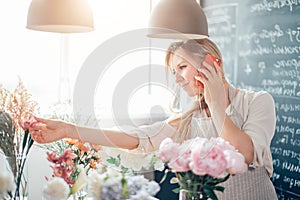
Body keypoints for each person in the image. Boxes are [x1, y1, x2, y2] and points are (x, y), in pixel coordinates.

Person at [30, 38, 277, 199]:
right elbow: (138, 139)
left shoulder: (257, 102)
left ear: (212, 63)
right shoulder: (187, 119)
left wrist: (214, 103)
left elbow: (245, 152)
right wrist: (68, 129)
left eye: (182, 67)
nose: (178, 78)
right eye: (174, 71)